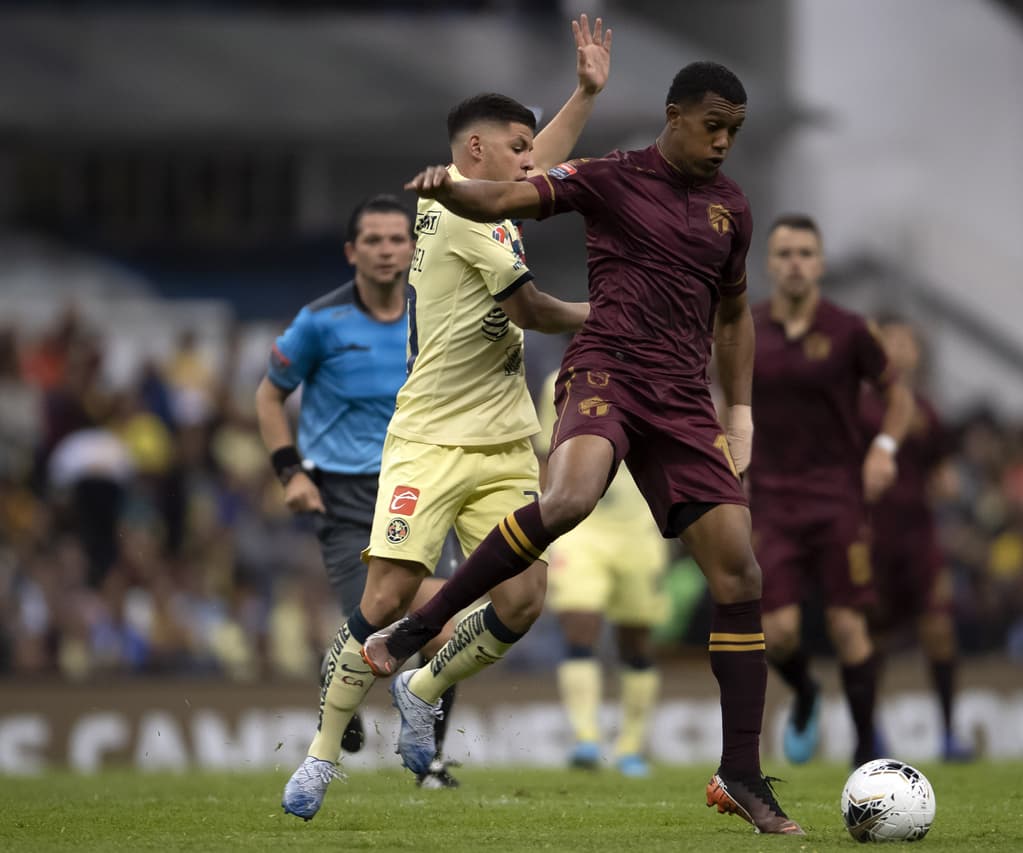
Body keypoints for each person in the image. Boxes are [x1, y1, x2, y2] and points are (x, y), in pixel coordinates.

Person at [364, 60, 805, 836]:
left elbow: (734, 317)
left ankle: (739, 771)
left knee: (740, 572)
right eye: (712, 127)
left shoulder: (731, 207)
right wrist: (449, 191)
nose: (723, 143)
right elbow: (506, 197)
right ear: (674, 116)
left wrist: (739, 409)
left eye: (734, 131)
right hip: (608, 369)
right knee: (569, 497)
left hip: (682, 397)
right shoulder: (610, 177)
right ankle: (417, 628)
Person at [279, 13, 609, 820]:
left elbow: (544, 162)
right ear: (476, 152)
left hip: (504, 442)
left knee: (523, 599)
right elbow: (532, 310)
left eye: (530, 151)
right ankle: (321, 756)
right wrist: (613, 315)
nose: (531, 163)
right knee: (389, 594)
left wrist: (585, 94)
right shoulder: (460, 215)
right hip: (429, 439)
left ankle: (424, 687)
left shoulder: (487, 199)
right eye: (517, 150)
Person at [256, 194, 467, 790]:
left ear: (413, 248)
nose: (386, 250)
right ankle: (340, 689)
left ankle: (430, 760)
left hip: (421, 487)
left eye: (397, 239)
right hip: (346, 497)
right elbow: (268, 396)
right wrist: (290, 472)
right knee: (380, 627)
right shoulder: (320, 322)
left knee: (443, 627)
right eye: (373, 240)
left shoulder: (435, 312)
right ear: (352, 251)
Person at [747, 214, 914, 770]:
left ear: (819, 264)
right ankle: (807, 692)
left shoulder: (850, 330)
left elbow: (898, 396)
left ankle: (867, 750)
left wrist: (883, 448)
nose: (795, 263)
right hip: (771, 501)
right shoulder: (746, 328)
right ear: (770, 264)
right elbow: (724, 400)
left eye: (805, 253)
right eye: (785, 254)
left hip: (837, 497)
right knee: (778, 634)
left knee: (847, 624)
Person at [534, 368, 668, 777]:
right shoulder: (560, 381)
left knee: (636, 640)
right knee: (579, 623)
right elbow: (545, 454)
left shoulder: (656, 375)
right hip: (581, 529)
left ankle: (630, 747)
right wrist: (545, 519)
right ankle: (586, 740)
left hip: (639, 527)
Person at [858, 316, 973, 762]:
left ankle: (948, 733)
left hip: (919, 538)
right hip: (872, 537)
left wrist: (948, 482)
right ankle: (869, 733)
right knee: (874, 637)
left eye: (905, 342)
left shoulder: (927, 411)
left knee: (939, 629)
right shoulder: (859, 407)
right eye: (889, 340)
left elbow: (942, 469)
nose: (897, 348)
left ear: (917, 353)